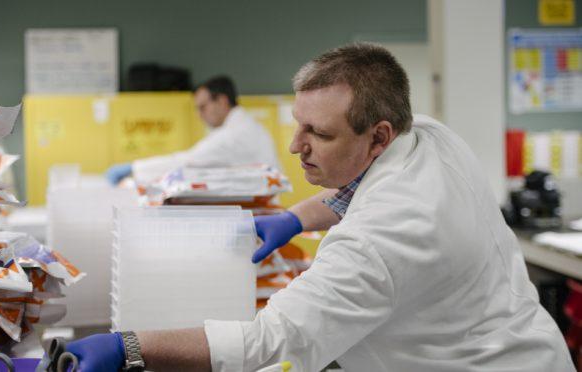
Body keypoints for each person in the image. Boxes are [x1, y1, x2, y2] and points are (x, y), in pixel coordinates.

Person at [67, 44, 574, 371]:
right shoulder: (427, 134)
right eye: (298, 123)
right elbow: (359, 186)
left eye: (319, 134)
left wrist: (129, 346)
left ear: (378, 135)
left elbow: (274, 340)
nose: (294, 145)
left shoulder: (381, 238)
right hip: (521, 343)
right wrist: (296, 218)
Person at [105, 76, 279, 186]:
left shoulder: (235, 135)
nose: (198, 115)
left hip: (259, 217)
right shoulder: (245, 126)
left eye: (202, 107)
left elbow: (187, 162)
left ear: (222, 101)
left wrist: (134, 168)